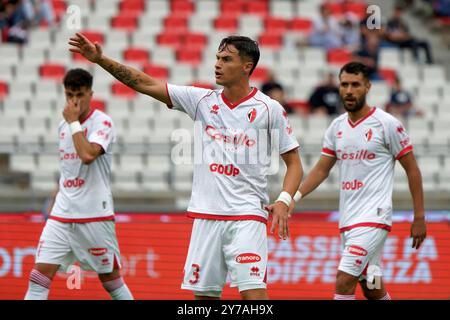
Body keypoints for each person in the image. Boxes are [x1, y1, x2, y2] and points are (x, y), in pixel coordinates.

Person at [68, 33, 303, 300]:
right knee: (203, 300)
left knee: (254, 296)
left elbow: (294, 163)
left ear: (247, 66)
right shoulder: (202, 100)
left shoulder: (268, 109)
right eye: (217, 58)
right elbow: (143, 82)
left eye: (226, 59)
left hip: (247, 216)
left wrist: (284, 200)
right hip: (205, 217)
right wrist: (100, 60)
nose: (217, 64)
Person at [273, 62, 427, 300]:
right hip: (348, 220)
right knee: (372, 285)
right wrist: (294, 197)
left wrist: (419, 218)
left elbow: (412, 170)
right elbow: (322, 169)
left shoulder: (387, 124)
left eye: (355, 84)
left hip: (374, 217)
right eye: (344, 84)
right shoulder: (336, 127)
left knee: (344, 280)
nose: (348, 90)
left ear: (367, 87)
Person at [24, 69, 133, 300]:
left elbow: (87, 155)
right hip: (62, 215)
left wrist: (74, 122)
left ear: (90, 94)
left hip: (94, 214)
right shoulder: (62, 126)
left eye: (79, 95)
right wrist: (55, 198)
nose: (74, 101)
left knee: (111, 281)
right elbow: (67, 169)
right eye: (69, 94)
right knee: (38, 277)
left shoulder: (102, 122)